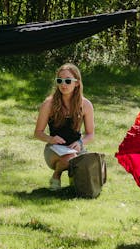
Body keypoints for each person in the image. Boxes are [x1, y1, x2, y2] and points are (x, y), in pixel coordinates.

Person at [34, 63, 94, 191]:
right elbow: (38, 133)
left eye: (67, 81)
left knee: (88, 167)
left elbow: (90, 134)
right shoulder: (48, 104)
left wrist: (80, 143)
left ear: (77, 83)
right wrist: (51, 139)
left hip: (76, 149)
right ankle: (56, 175)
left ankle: (74, 178)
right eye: (59, 80)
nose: (63, 84)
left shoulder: (86, 105)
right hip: (54, 150)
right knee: (69, 159)